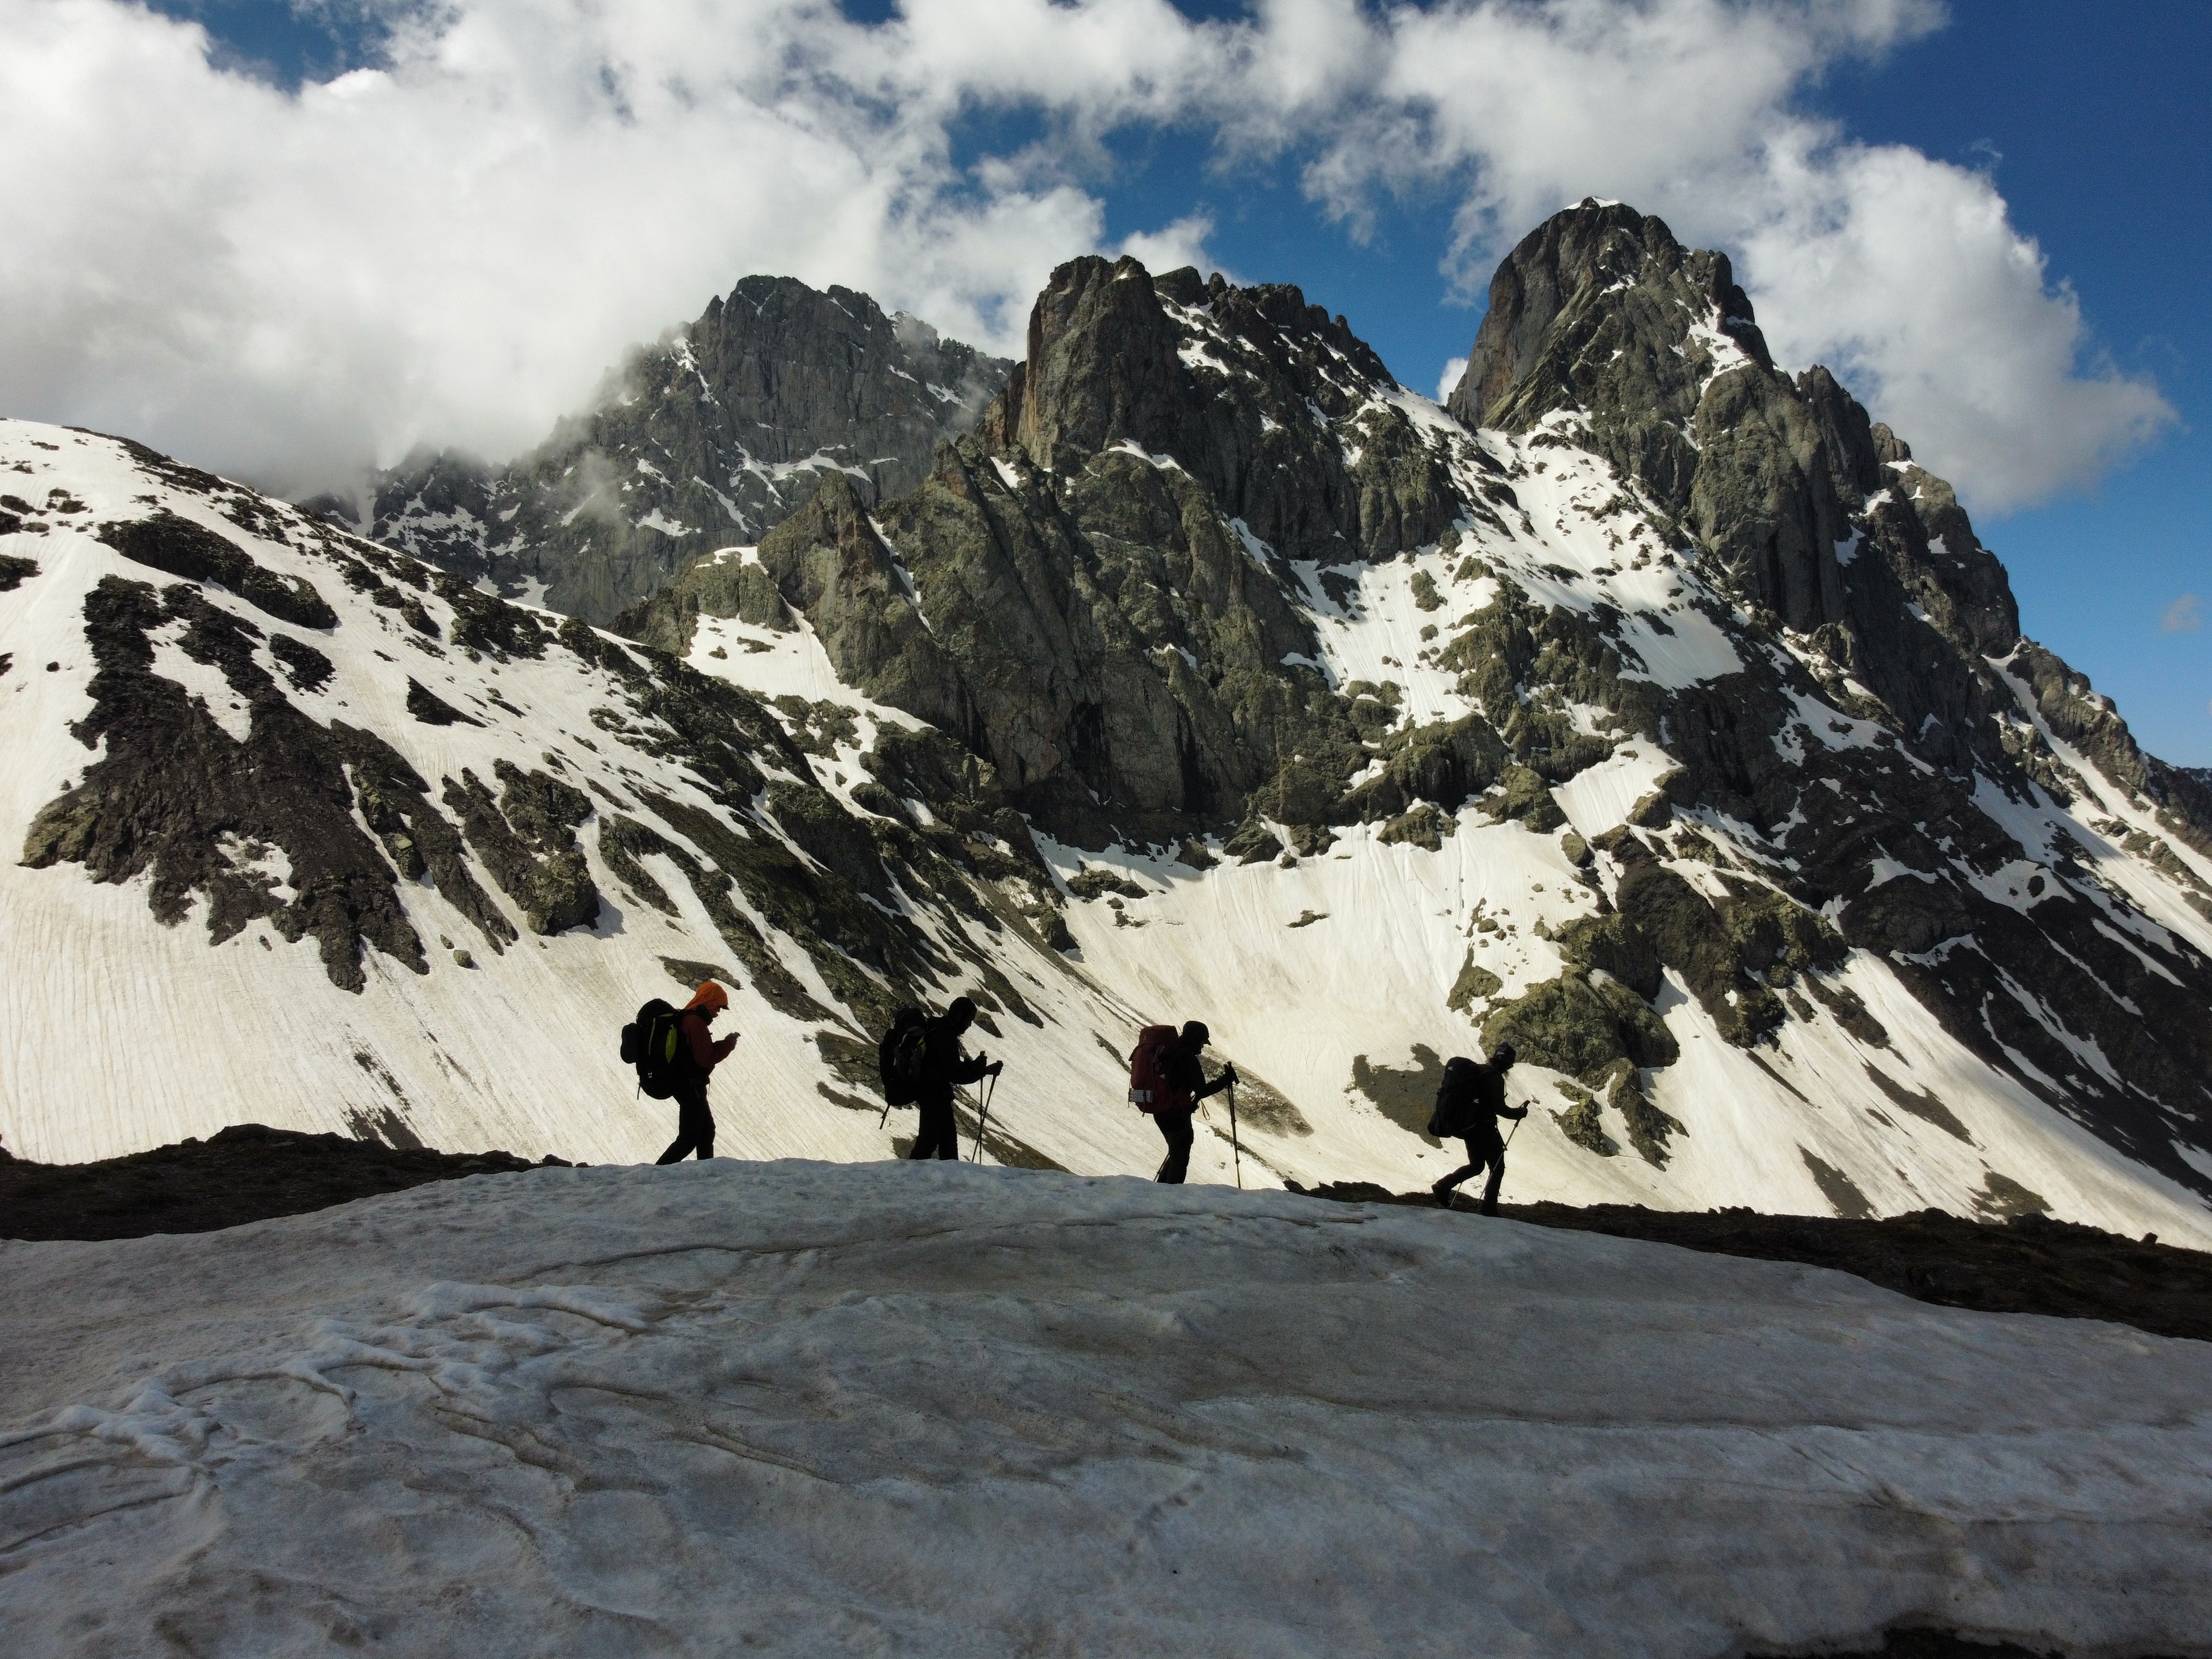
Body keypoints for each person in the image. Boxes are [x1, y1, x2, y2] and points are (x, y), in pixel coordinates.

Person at [1431, 1041, 1525, 1214]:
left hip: (1468, 1127)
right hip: (1485, 1128)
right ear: (1506, 1064)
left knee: (1476, 1166)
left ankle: (1443, 1185)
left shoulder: (1478, 1071)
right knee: (1497, 1168)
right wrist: (1519, 1113)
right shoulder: (1495, 1078)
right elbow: (1500, 1109)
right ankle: (1489, 1209)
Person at [655, 982, 739, 1164]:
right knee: (689, 1139)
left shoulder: (687, 1018)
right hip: (690, 1087)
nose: (718, 1013)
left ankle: (706, 1172)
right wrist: (728, 1045)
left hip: (685, 1084)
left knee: (706, 1132)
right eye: (718, 1007)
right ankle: (656, 1172)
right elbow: (706, 1059)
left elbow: (699, 1053)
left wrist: (723, 1044)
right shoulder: (695, 1023)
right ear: (709, 1001)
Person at [911, 997, 1000, 1161]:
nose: (969, 1025)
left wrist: (978, 1069)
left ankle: (929, 1181)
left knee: (943, 1144)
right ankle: (908, 1182)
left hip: (933, 1095)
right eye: (968, 1020)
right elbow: (956, 1074)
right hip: (935, 1097)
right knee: (931, 1145)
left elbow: (950, 1068)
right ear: (959, 1016)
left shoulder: (939, 1031)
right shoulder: (945, 1036)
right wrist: (983, 1070)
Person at [1152, 1021, 1236, 1185]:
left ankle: (1161, 1191)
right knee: (1180, 1157)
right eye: (1202, 1042)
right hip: (1176, 1114)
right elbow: (1202, 1090)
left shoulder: (1171, 1054)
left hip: (1161, 1110)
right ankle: (1170, 1195)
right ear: (1195, 1039)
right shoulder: (1188, 1059)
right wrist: (1224, 1081)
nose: (1203, 1047)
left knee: (1176, 1152)